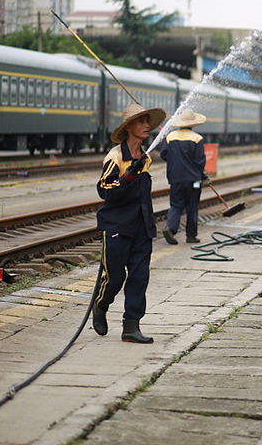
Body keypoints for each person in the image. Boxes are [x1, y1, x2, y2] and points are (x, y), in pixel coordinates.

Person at [93, 102, 166, 344]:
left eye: (148, 122)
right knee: (115, 278)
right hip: (116, 227)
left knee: (139, 277)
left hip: (141, 227)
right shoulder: (115, 157)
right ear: (128, 127)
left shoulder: (145, 158)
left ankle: (131, 327)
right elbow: (105, 190)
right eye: (141, 122)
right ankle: (101, 305)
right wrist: (127, 176)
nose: (147, 126)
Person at [159, 108, 208, 245]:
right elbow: (200, 161)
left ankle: (170, 228)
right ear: (193, 124)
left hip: (175, 178)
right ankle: (191, 235)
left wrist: (175, 161)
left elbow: (164, 154)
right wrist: (202, 175)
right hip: (194, 180)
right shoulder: (197, 138)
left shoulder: (171, 137)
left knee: (176, 205)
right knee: (192, 206)